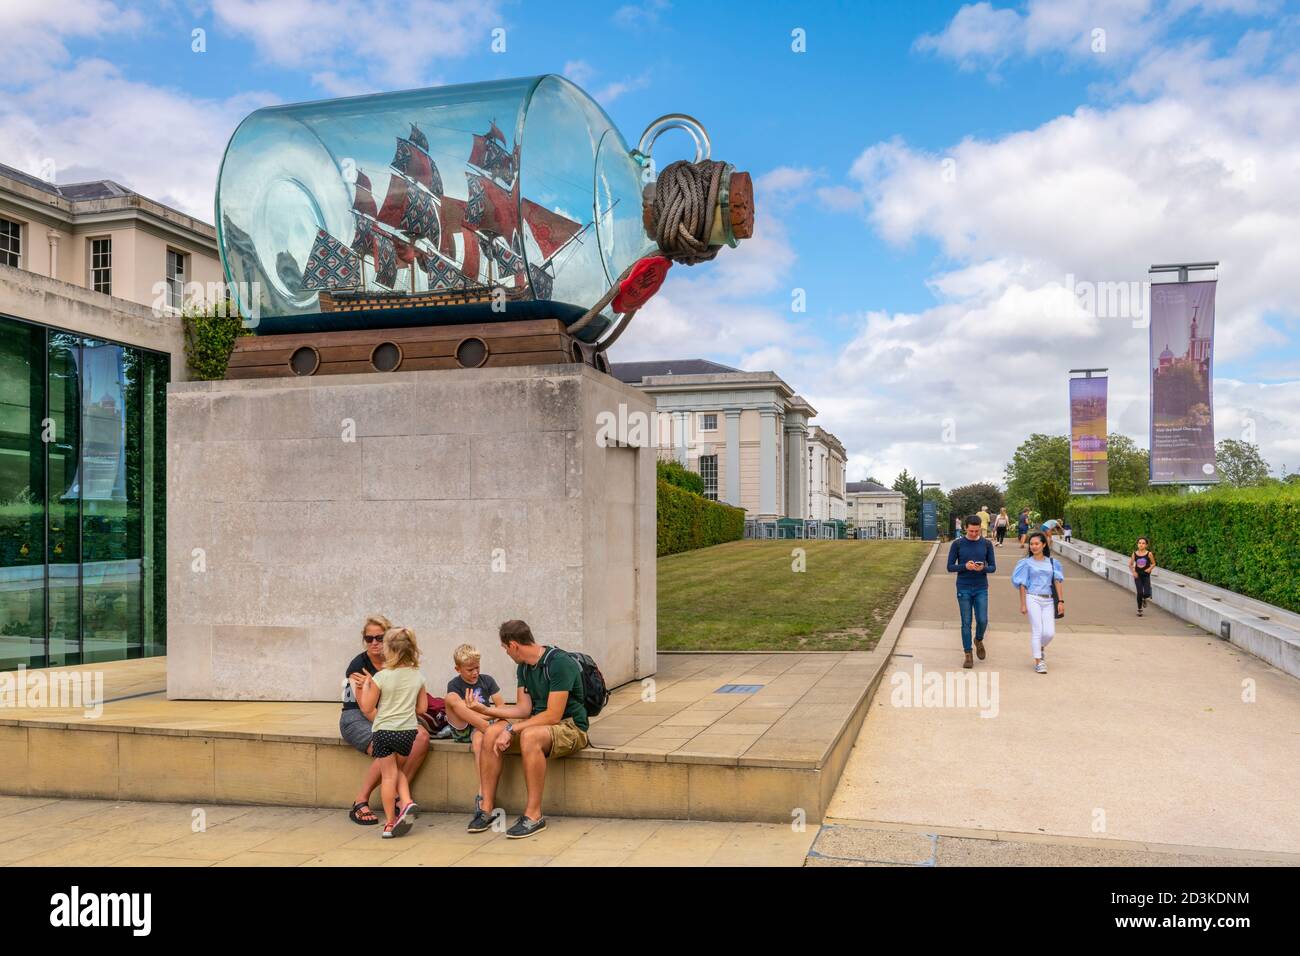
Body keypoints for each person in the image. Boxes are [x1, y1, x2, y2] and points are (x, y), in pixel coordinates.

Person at [464, 620, 590, 839]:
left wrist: (512, 730)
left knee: (529, 736)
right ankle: (486, 809)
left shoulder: (560, 663)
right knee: (492, 732)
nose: (506, 653)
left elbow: (553, 715)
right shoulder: (523, 667)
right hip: (539, 722)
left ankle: (534, 815)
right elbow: (524, 708)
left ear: (513, 645)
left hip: (570, 726)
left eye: (505, 649)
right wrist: (486, 710)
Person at [340, 615, 430, 826]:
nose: (373, 643)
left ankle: (398, 798)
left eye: (379, 638)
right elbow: (365, 707)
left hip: (388, 718)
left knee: (422, 737)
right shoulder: (358, 665)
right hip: (356, 716)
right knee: (386, 750)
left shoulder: (402, 668)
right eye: (368, 638)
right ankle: (361, 800)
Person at [358, 626, 427, 838]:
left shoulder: (382, 676)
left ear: (390, 650)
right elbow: (422, 709)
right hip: (408, 732)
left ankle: (389, 823)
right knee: (399, 771)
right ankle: (406, 801)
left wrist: (367, 686)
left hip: (384, 731)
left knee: (388, 776)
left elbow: (368, 707)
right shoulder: (418, 676)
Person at [443, 643, 505, 813]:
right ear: (458, 669)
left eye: (477, 667)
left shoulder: (487, 680)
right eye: (470, 669)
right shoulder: (454, 684)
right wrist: (481, 717)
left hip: (482, 726)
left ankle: (482, 792)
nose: (475, 672)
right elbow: (460, 712)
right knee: (450, 698)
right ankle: (484, 726)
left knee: (479, 740)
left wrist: (482, 716)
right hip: (462, 726)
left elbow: (501, 707)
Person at [1011, 532, 1065, 674]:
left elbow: (1058, 581)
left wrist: (1061, 601)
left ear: (1044, 544)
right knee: (1037, 630)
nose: (1033, 546)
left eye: (1037, 544)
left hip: (1048, 600)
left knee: (1049, 633)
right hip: (1032, 598)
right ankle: (1038, 661)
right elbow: (1022, 584)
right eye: (1031, 544)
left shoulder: (1053, 563)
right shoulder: (1026, 563)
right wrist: (1023, 604)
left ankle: (1040, 647)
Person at [947, 515, 996, 669]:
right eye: (971, 531)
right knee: (966, 622)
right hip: (964, 586)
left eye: (977, 531)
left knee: (983, 620)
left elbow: (993, 567)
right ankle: (968, 654)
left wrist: (984, 568)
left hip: (981, 586)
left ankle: (978, 639)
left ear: (980, 528)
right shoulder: (958, 544)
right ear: (965, 528)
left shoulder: (987, 544)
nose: (974, 534)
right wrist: (964, 566)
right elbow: (949, 567)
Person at [1129, 537, 1157, 616]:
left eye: (1143, 543)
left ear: (1146, 545)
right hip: (1138, 576)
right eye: (1139, 543)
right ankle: (1139, 609)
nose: (1141, 544)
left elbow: (1154, 563)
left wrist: (1150, 568)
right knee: (1140, 592)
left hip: (1146, 575)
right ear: (1137, 544)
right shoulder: (1134, 554)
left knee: (1147, 593)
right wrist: (1134, 572)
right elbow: (1130, 564)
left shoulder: (1149, 554)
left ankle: (1145, 598)